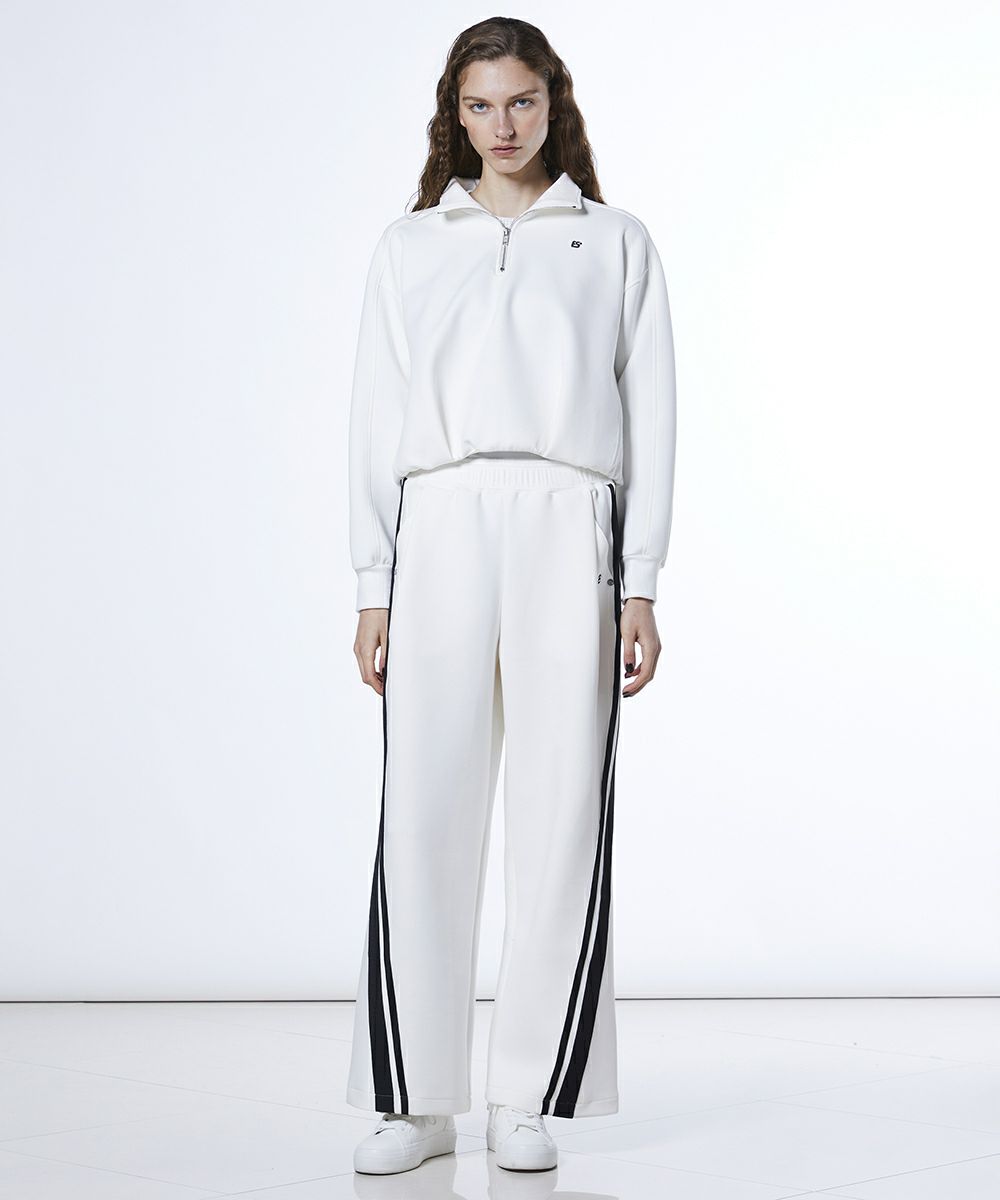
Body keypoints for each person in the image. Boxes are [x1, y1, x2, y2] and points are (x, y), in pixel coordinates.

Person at [345, 16, 677, 1176]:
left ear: (553, 103)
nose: (502, 125)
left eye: (521, 102)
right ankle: (415, 1099)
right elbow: (374, 418)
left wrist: (640, 583)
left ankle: (526, 1093)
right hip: (438, 521)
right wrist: (373, 582)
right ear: (455, 112)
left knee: (559, 811)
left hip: (567, 521)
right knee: (422, 808)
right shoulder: (409, 246)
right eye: (480, 105)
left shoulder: (614, 240)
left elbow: (651, 418)